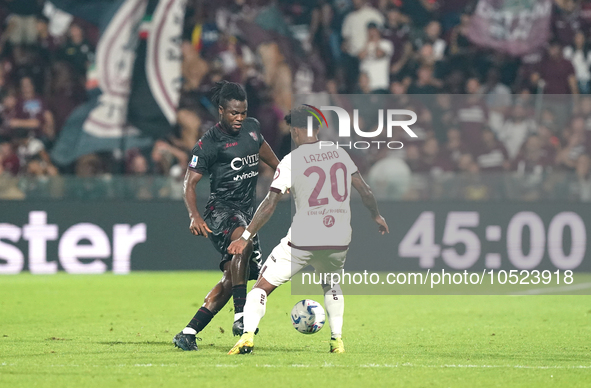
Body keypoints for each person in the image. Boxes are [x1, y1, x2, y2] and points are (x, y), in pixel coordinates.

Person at [226, 106, 389, 355]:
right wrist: (375, 215)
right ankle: (337, 340)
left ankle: (247, 337)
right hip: (339, 239)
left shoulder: (291, 161)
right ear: (318, 129)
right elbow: (365, 190)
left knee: (261, 288)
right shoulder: (340, 153)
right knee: (330, 284)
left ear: (296, 131)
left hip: (303, 241)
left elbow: (270, 203)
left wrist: (246, 236)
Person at [172, 81, 280, 351]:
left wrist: (285, 174)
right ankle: (241, 315)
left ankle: (188, 332)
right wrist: (194, 215)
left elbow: (272, 160)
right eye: (234, 113)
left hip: (246, 213)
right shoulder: (209, 142)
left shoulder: (252, 129)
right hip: (220, 211)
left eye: (243, 112)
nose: (239, 118)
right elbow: (189, 183)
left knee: (233, 277)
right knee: (243, 243)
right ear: (221, 111)